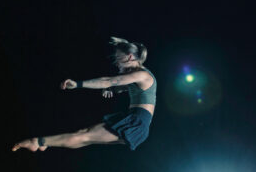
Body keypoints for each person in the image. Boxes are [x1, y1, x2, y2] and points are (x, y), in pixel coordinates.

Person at [13, 37, 156, 152]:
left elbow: (108, 81)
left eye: (118, 59)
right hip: (135, 120)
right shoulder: (138, 77)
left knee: (83, 136)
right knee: (83, 133)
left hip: (137, 122)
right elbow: (122, 87)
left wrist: (78, 84)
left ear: (130, 57)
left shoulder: (141, 74)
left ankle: (37, 141)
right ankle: (45, 143)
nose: (117, 64)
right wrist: (113, 89)